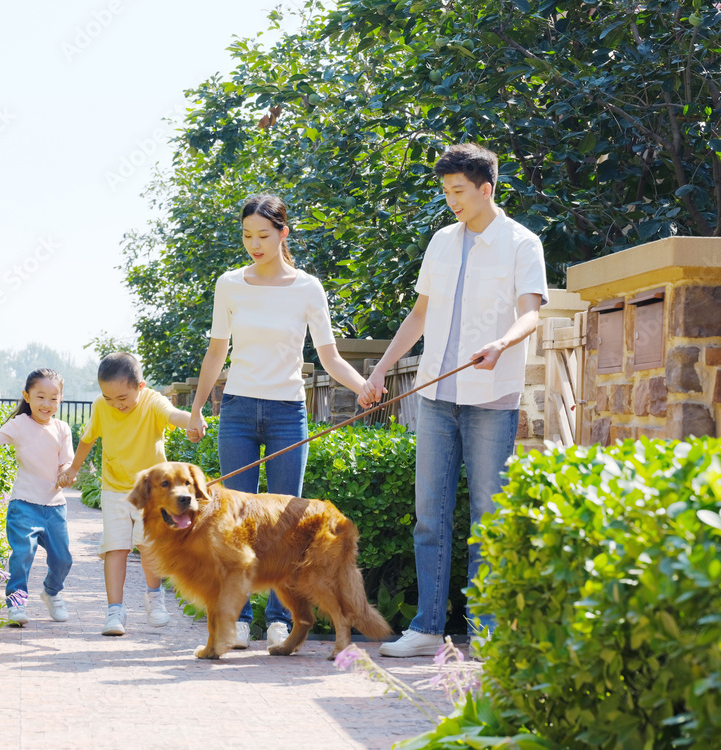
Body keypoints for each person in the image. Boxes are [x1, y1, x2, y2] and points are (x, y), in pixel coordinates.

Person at [363, 143, 548, 658]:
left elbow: (531, 311)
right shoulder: (441, 242)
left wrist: (503, 344)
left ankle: (485, 632)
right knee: (430, 515)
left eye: (459, 191)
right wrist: (378, 369)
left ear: (486, 188)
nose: (451, 201)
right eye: (446, 191)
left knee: (488, 514)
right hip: (437, 395)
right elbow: (420, 315)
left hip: (492, 394)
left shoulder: (521, 243)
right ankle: (425, 627)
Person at [186, 194, 373, 651]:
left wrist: (363, 386)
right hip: (237, 411)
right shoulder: (229, 284)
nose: (254, 244)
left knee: (287, 525)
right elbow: (216, 351)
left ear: (283, 233)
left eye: (263, 236)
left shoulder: (308, 288)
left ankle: (280, 619)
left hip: (288, 411)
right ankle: (238, 618)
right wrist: (195, 410)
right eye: (247, 235)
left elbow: (328, 356)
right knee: (233, 521)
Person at [58, 352, 193, 636]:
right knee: (114, 548)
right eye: (108, 398)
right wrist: (72, 468)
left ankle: (154, 597)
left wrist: (192, 421)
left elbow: (173, 415)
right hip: (114, 488)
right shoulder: (101, 406)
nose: (115, 405)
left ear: (140, 387)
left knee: (149, 547)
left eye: (122, 398)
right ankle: (114, 611)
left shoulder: (153, 401)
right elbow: (87, 439)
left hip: (151, 493)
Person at [0, 368, 75, 626]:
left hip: (54, 507)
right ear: (27, 396)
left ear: (61, 399)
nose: (47, 403)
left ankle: (52, 592)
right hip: (24, 505)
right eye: (40, 397)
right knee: (23, 555)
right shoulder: (20, 424)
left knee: (63, 560)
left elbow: (65, 463)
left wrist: (66, 475)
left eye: (53, 398)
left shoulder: (63, 428)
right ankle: (16, 605)